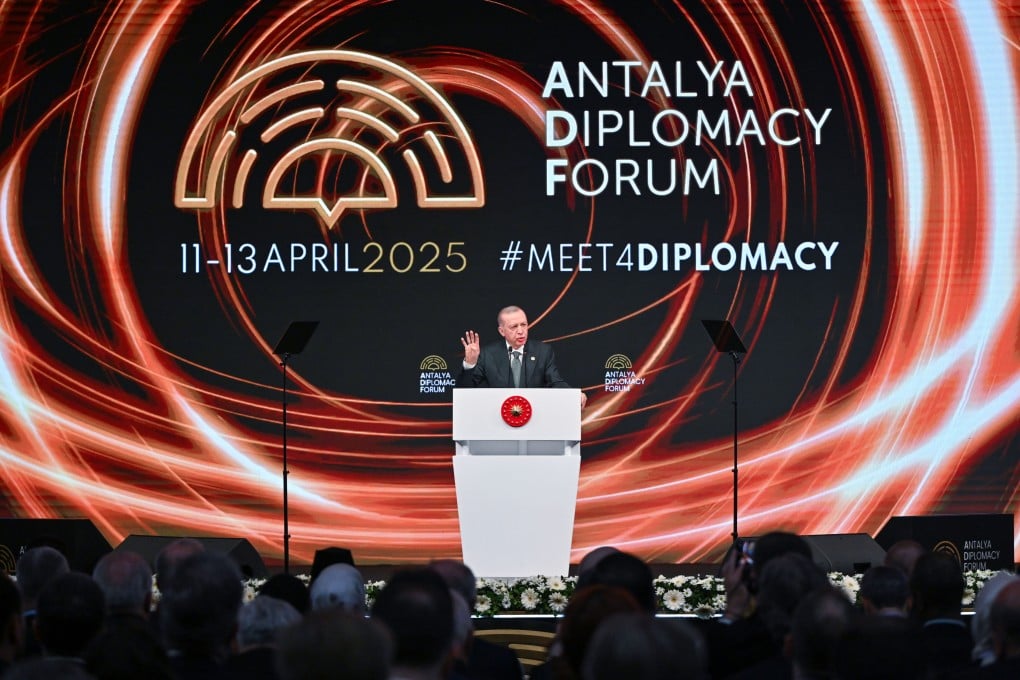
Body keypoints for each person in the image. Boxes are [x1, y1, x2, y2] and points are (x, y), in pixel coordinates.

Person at [459, 306, 587, 407]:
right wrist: (470, 364)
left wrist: (573, 394)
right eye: (514, 327)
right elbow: (466, 392)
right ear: (501, 331)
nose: (521, 331)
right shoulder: (487, 354)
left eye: (524, 325)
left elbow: (555, 381)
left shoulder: (542, 351)